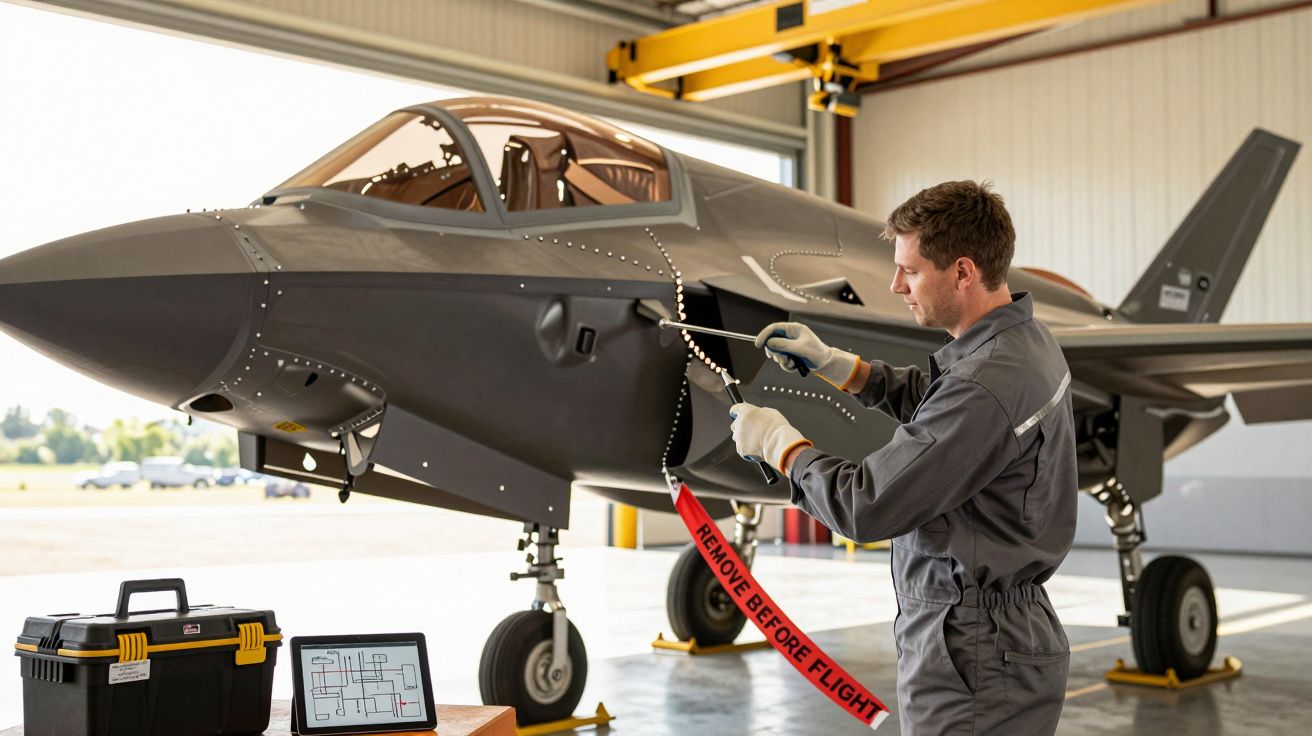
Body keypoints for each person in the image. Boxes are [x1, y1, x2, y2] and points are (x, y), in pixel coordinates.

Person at [729, 181, 1077, 735]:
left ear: (963, 272)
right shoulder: (1023, 342)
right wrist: (841, 367)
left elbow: (866, 505)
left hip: (973, 656)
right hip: (995, 639)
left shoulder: (986, 382)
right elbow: (949, 414)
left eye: (910, 271)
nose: (896, 286)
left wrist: (781, 448)